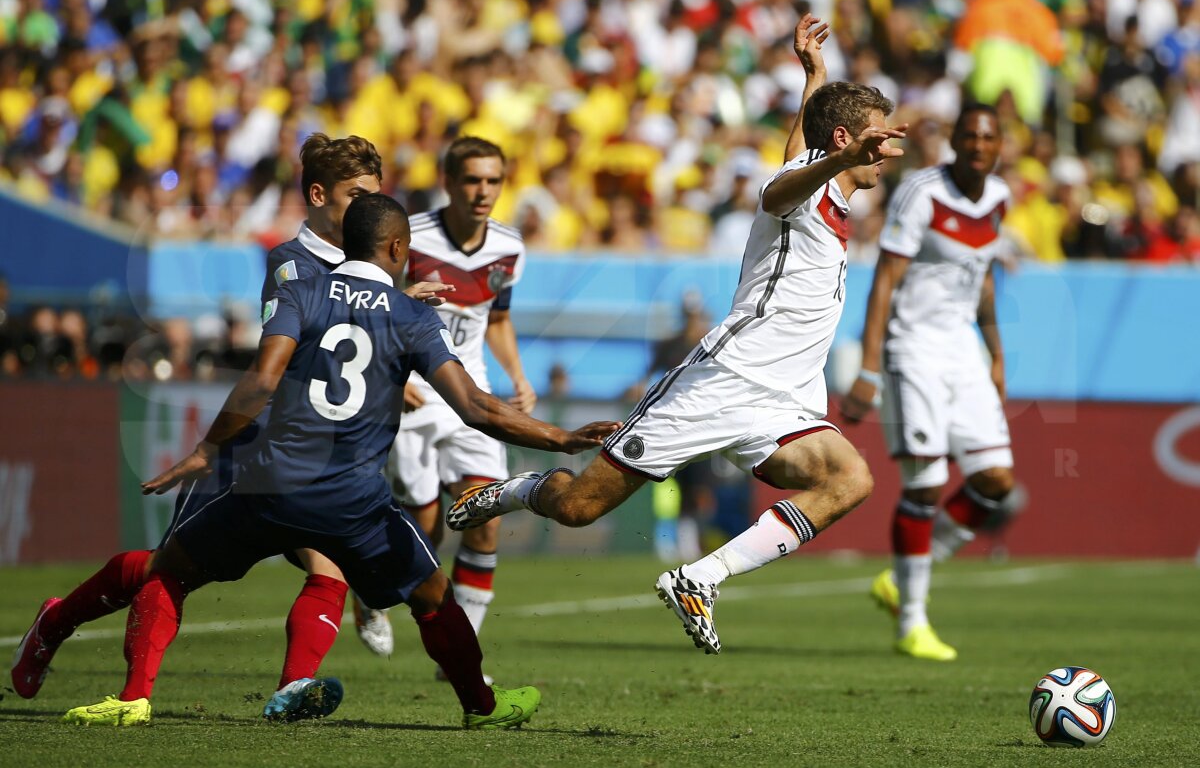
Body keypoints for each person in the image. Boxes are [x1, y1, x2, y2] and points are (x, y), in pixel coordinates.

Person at [13, 193, 618, 727]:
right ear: (398, 248)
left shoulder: (299, 291)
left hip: (268, 487)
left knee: (167, 569)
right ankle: (481, 708)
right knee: (434, 596)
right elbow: (476, 407)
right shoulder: (411, 314)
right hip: (352, 503)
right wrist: (560, 438)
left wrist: (206, 450)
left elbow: (260, 380)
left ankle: (131, 696)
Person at [446, 67, 906, 655]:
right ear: (843, 140)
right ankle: (517, 491)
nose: (886, 152)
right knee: (579, 508)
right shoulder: (803, 186)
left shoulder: (825, 185)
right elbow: (776, 190)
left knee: (850, 479)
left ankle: (700, 578)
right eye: (877, 138)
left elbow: (801, 149)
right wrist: (838, 156)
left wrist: (813, 76)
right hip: (721, 380)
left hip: (783, 398)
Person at [9, 133, 445, 718]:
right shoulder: (292, 263)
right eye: (356, 195)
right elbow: (287, 361)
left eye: (374, 195)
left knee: (328, 567)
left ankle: (290, 691)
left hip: (312, 457)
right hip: (256, 443)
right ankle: (70, 637)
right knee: (170, 567)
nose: (369, 207)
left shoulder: (365, 273)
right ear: (319, 196)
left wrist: (396, 313)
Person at [840, 104, 1017, 662]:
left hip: (963, 350)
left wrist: (996, 353)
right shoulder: (922, 192)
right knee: (926, 483)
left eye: (988, 137)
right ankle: (911, 621)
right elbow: (885, 280)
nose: (978, 145)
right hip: (912, 348)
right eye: (970, 135)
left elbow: (982, 280)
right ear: (955, 141)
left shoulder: (998, 198)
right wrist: (868, 367)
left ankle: (901, 577)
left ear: (1000, 145)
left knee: (996, 480)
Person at [354, 137, 535, 675]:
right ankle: (369, 590)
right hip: (414, 392)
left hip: (470, 392)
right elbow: (372, 307)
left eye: (493, 180)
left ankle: (461, 657)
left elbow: (496, 320)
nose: (483, 191)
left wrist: (518, 376)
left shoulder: (509, 247)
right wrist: (390, 376)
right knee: (424, 530)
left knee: (485, 518)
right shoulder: (408, 236)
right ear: (449, 182)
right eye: (473, 179)